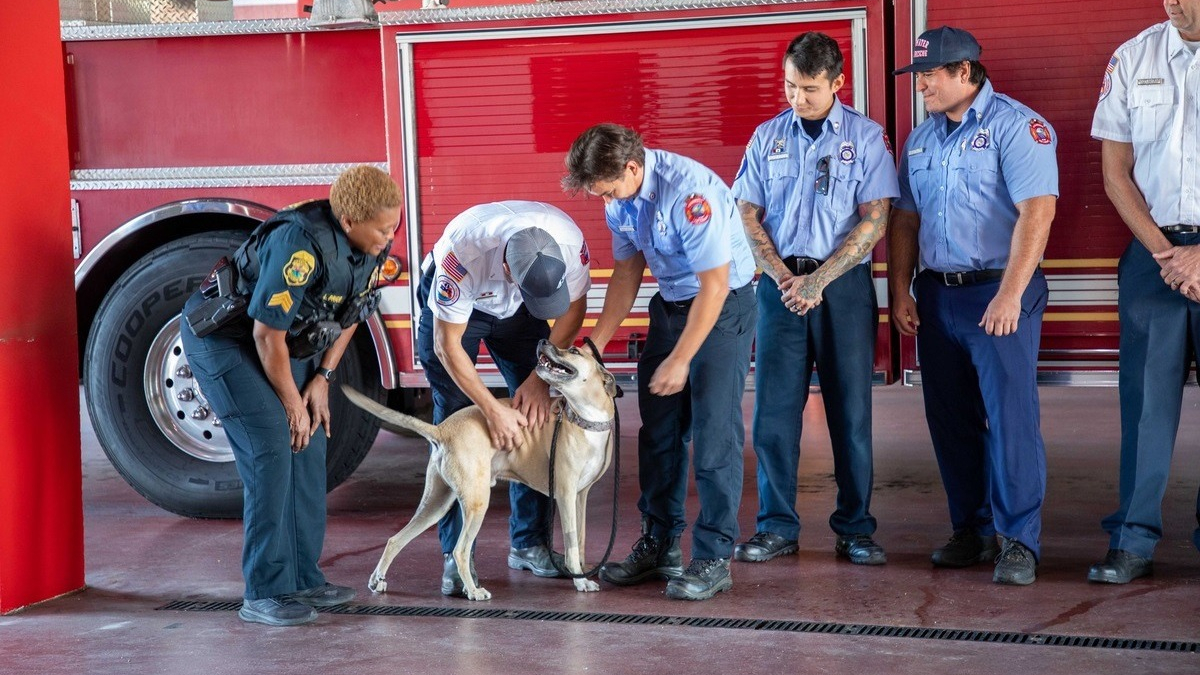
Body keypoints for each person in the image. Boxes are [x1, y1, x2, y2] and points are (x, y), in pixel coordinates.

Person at [180, 165, 401, 626]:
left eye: (393, 225)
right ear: (348, 221)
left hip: (283, 342)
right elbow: (265, 335)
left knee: (310, 444)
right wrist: (290, 403)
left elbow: (353, 312)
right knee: (271, 446)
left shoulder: (370, 243)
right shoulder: (299, 244)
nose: (389, 236)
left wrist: (322, 379)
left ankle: (303, 579)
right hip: (228, 339)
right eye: (382, 229)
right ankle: (264, 591)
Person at [889, 26, 1058, 586]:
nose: (921, 87)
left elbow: (1037, 212)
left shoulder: (1018, 126)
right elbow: (906, 219)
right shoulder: (919, 140)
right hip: (938, 295)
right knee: (951, 419)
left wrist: (1012, 292)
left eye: (929, 75)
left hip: (998, 292)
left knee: (1011, 419)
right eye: (917, 77)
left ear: (965, 72)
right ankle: (972, 529)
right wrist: (900, 290)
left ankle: (1019, 540)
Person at [563, 123, 757, 601]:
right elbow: (627, 272)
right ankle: (660, 543)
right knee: (659, 433)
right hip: (670, 306)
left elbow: (715, 287)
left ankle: (713, 555)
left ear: (632, 167)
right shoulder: (619, 199)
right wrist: (595, 345)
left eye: (607, 190)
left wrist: (681, 359)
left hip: (722, 307)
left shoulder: (691, 195)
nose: (606, 200)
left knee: (715, 434)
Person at [730, 32, 898, 567]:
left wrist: (820, 280)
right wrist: (784, 277)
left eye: (807, 88)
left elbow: (876, 220)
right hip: (779, 289)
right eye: (788, 86)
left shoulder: (867, 139)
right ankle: (777, 526)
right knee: (774, 417)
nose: (795, 98)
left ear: (837, 83)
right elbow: (746, 213)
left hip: (843, 289)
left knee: (851, 413)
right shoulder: (766, 137)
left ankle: (855, 529)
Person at [416, 200, 592, 596]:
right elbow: (448, 348)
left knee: (536, 413)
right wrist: (492, 409)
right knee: (458, 426)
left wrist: (536, 380)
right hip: (461, 314)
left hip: (518, 312)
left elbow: (573, 310)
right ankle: (455, 558)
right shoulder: (463, 257)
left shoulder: (568, 241)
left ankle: (529, 543)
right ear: (510, 271)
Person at [1087, 0, 1200, 584]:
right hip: (1154, 254)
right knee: (1145, 407)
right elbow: (1115, 172)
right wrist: (1168, 254)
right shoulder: (1134, 58)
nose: (1175, 4)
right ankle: (1133, 539)